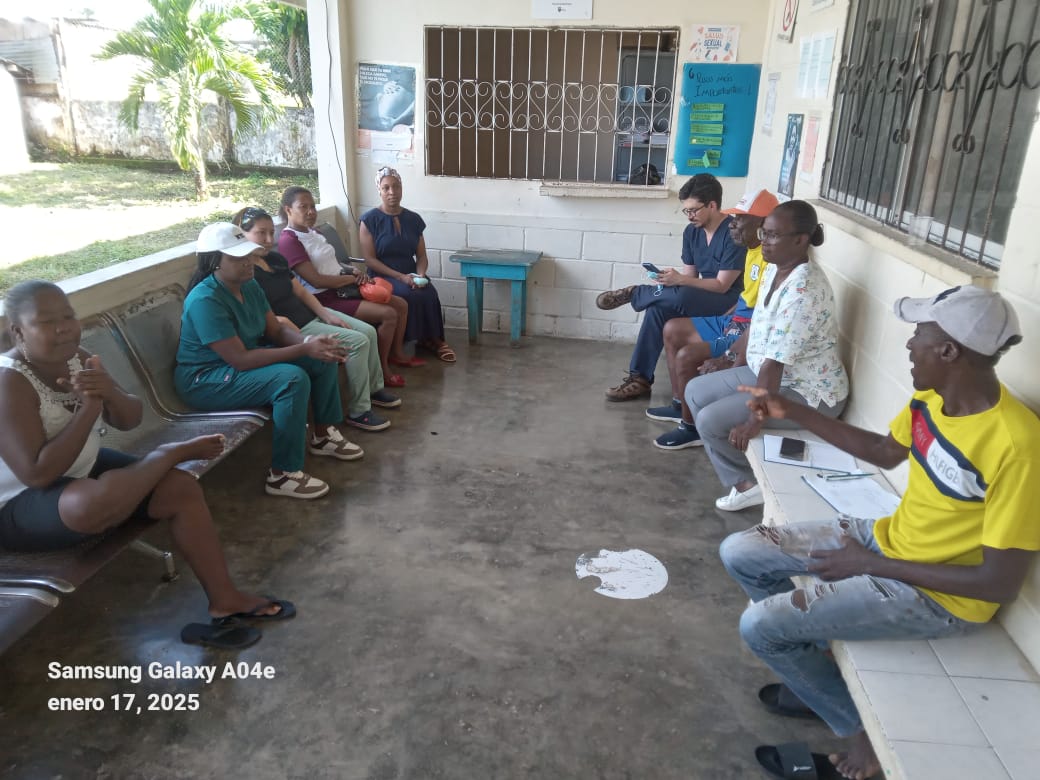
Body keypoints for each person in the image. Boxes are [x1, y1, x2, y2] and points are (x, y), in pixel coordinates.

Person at [720, 286, 1038, 780]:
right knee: (741, 551)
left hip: (938, 596)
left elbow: (997, 584)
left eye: (919, 335)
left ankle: (858, 735)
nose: (909, 344)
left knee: (760, 627)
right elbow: (884, 452)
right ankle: (818, 673)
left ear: (949, 351)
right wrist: (792, 410)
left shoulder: (1017, 445)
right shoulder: (931, 398)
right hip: (888, 539)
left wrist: (870, 565)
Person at [0, 280, 293, 650]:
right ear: (18, 332)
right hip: (18, 503)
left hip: (78, 469)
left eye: (68, 317)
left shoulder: (78, 357)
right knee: (88, 503)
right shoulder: (9, 381)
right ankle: (165, 454)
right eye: (46, 322)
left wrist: (108, 392)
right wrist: (90, 409)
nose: (63, 329)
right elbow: (37, 474)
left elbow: (130, 418)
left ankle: (225, 599)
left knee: (179, 488)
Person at [683, 200, 849, 511]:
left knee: (710, 420)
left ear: (800, 240)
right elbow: (758, 321)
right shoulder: (775, 268)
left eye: (773, 235)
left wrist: (754, 420)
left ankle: (748, 485)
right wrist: (729, 357)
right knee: (695, 390)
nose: (764, 241)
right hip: (769, 375)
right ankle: (737, 470)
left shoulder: (803, 291)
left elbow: (775, 363)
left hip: (809, 392)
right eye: (764, 232)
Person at [176, 222, 361, 500]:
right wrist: (303, 349)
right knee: (291, 379)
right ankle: (283, 474)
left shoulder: (249, 286)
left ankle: (323, 436)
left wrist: (310, 342)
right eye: (237, 257)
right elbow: (240, 360)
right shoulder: (205, 300)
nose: (248, 262)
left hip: (239, 365)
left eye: (248, 254)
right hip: (207, 379)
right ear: (214, 262)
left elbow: (276, 331)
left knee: (322, 358)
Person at [232, 206, 400, 432]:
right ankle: (360, 411)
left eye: (271, 232)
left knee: (368, 331)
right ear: (242, 234)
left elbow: (301, 292)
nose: (269, 240)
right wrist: (291, 330)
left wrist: (326, 314)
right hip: (293, 328)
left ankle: (374, 389)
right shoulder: (245, 271)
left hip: (310, 315)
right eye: (261, 233)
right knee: (358, 342)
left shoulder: (275, 259)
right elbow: (259, 314)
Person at [596, 173, 746, 401]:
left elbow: (721, 285)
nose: (689, 216)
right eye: (686, 211)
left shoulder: (733, 233)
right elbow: (690, 278)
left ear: (712, 205)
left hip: (728, 302)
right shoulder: (692, 232)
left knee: (681, 295)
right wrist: (672, 280)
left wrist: (680, 282)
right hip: (699, 297)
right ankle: (639, 379)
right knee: (657, 309)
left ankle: (637, 293)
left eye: (693, 210)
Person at [647, 189, 777, 449]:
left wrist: (730, 355)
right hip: (735, 318)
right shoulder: (752, 250)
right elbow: (748, 296)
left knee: (687, 355)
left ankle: (691, 427)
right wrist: (729, 314)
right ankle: (680, 405)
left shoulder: (772, 261)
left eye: (741, 219)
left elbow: (763, 318)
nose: (733, 224)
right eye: (734, 218)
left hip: (746, 329)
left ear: (763, 225)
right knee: (672, 328)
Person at [276, 186, 415, 388]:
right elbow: (316, 280)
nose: (311, 212)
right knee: (388, 314)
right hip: (324, 297)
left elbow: (332, 263)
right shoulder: (289, 240)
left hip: (341, 288)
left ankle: (397, 354)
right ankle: (383, 369)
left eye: (313, 206)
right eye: (303, 207)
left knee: (400, 304)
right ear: (288, 209)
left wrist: (352, 270)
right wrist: (350, 280)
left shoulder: (313, 231)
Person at [358, 167, 457, 363]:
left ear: (402, 188)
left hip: (410, 272)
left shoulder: (413, 219)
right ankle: (406, 341)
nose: (392, 192)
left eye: (396, 186)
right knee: (406, 293)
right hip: (382, 275)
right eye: (386, 188)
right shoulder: (369, 220)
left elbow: (421, 256)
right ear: (379, 190)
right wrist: (400, 277)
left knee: (428, 291)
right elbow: (370, 260)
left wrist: (420, 275)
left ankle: (433, 339)